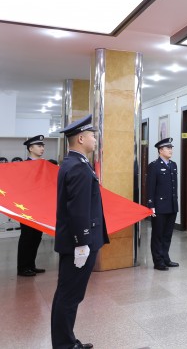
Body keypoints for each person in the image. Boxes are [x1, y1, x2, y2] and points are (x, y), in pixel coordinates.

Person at [51, 114, 108, 349]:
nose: (95, 139)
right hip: (79, 243)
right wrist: (82, 243)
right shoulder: (78, 167)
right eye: (93, 136)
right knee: (69, 296)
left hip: (74, 240)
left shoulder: (74, 163)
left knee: (68, 295)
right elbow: (78, 210)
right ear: (81, 139)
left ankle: (66, 341)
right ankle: (64, 345)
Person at [147, 138, 179, 271]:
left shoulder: (173, 165)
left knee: (167, 235)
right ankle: (158, 261)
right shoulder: (154, 166)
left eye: (171, 148)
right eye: (168, 148)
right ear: (160, 150)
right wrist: (151, 205)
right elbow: (150, 187)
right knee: (158, 235)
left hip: (172, 206)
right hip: (159, 207)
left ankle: (166, 258)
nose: (171, 150)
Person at [17, 135, 46, 277]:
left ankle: (31, 265)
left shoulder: (44, 166)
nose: (42, 148)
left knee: (36, 236)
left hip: (39, 207)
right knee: (27, 237)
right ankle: (22, 267)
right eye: (39, 146)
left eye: (43, 146)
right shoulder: (23, 166)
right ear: (30, 148)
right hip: (27, 208)